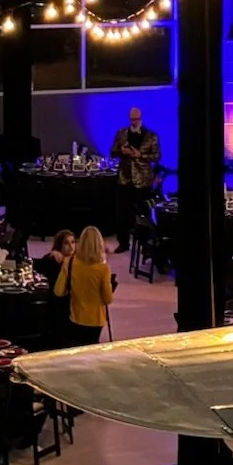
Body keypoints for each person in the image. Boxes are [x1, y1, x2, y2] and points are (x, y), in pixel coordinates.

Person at [53, 226, 116, 346]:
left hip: (76, 316)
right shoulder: (104, 269)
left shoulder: (69, 262)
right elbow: (108, 299)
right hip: (96, 320)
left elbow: (58, 291)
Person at [111, 107, 161, 240]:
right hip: (125, 178)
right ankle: (123, 242)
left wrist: (140, 155)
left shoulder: (151, 136)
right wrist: (122, 151)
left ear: (141, 118)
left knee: (143, 212)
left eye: (137, 119)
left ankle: (145, 242)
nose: (134, 122)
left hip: (143, 179)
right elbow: (112, 152)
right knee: (122, 213)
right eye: (132, 119)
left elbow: (156, 157)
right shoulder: (121, 133)